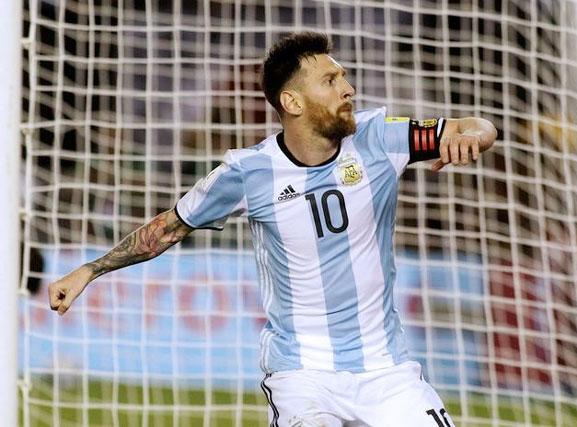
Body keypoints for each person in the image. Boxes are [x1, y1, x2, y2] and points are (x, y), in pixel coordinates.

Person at [49, 31, 496, 427]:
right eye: (331, 81)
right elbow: (168, 229)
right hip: (302, 374)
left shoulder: (380, 137)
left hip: (387, 369)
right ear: (293, 102)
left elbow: (474, 125)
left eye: (344, 78)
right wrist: (89, 269)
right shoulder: (248, 173)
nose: (349, 89)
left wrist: (473, 135)